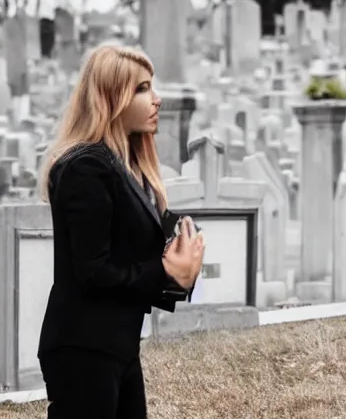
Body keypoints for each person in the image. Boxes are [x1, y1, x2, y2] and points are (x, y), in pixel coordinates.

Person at [37, 45, 205, 419]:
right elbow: (92, 272)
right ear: (112, 98)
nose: (156, 99)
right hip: (83, 349)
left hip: (118, 345)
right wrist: (165, 272)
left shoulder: (127, 168)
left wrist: (181, 272)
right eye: (142, 89)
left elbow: (132, 259)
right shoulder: (86, 168)